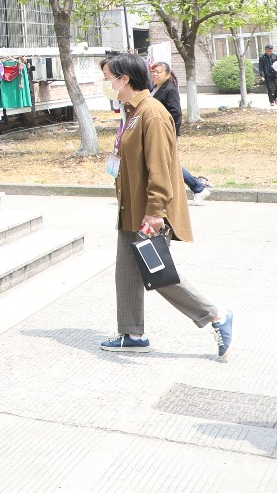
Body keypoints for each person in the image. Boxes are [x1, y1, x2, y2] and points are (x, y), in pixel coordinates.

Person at [99, 53, 233, 356]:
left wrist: (155, 210)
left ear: (124, 79)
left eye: (108, 78)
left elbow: (160, 166)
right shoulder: (132, 111)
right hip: (131, 207)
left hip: (147, 211)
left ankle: (216, 315)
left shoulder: (152, 113)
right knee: (127, 272)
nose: (106, 84)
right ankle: (132, 334)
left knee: (156, 271)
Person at [150, 60, 211, 205]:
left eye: (159, 72)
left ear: (167, 74)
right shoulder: (156, 87)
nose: (155, 74)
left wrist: (174, 133)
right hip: (157, 131)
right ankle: (196, 188)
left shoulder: (169, 89)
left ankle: (198, 188)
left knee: (169, 163)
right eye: (153, 72)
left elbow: (176, 112)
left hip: (165, 132)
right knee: (167, 163)